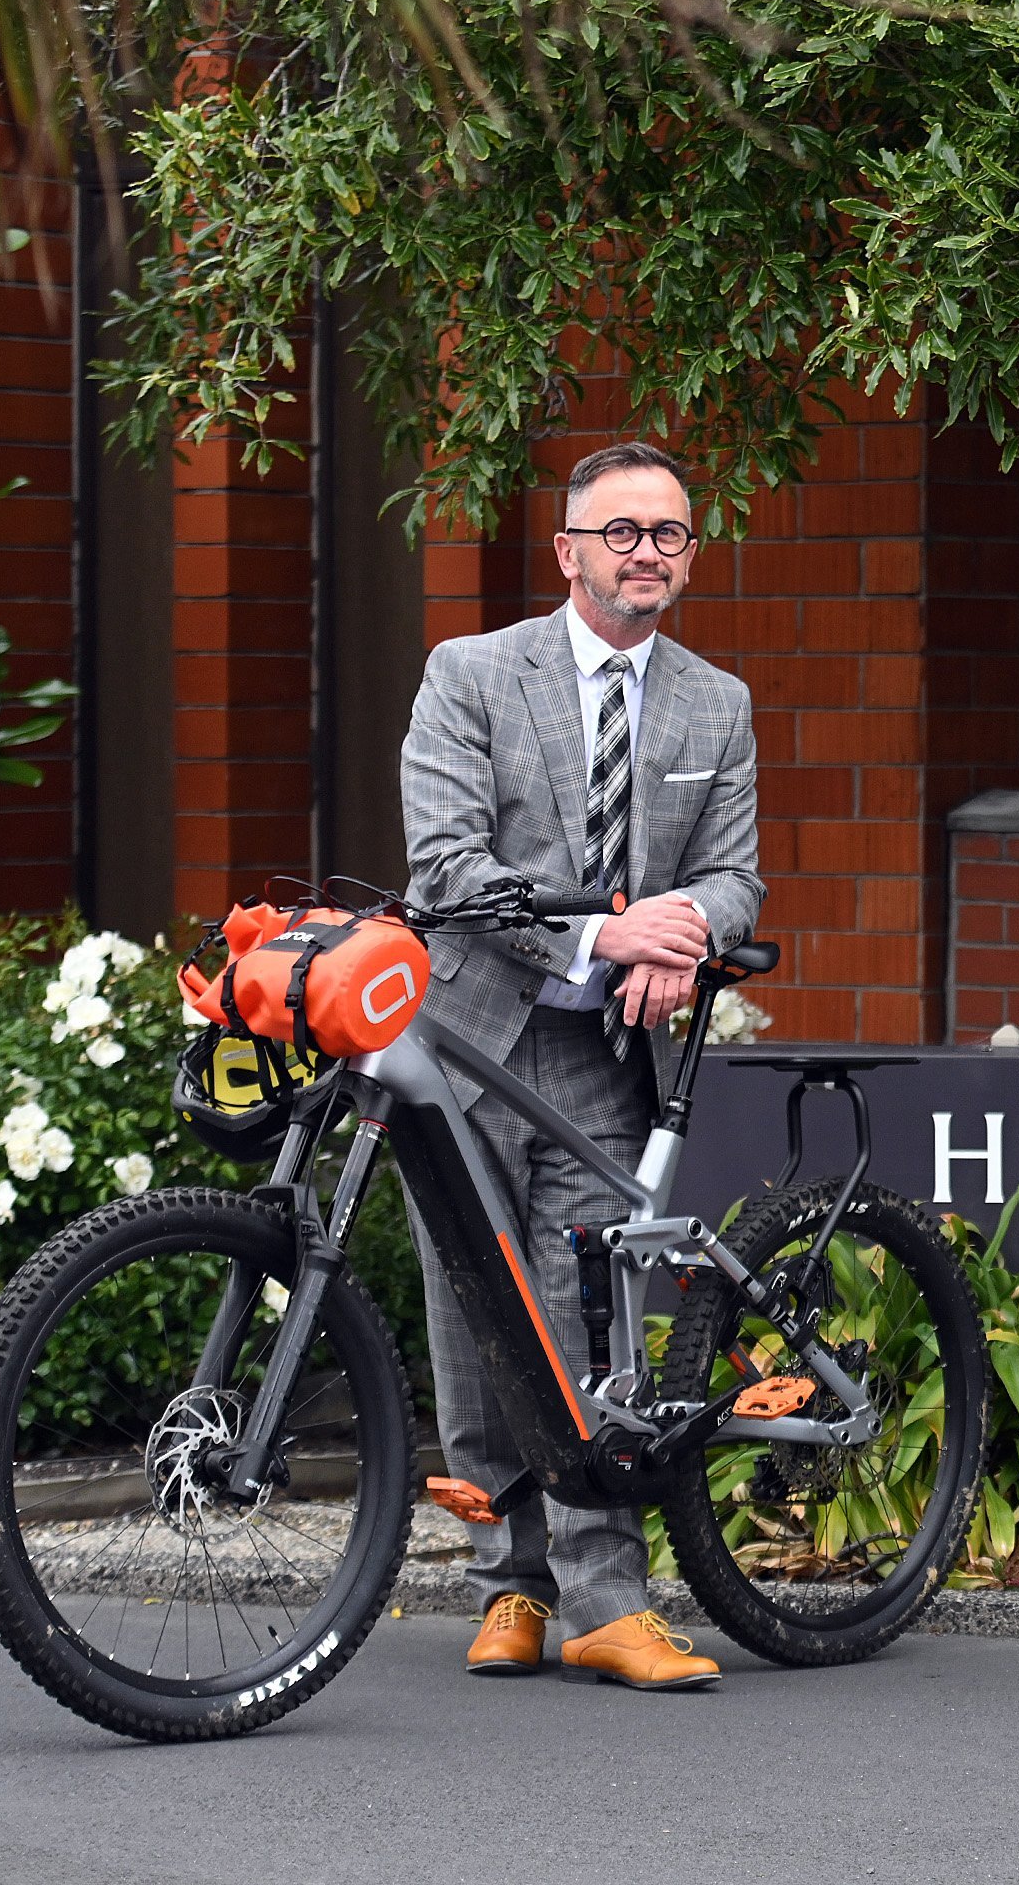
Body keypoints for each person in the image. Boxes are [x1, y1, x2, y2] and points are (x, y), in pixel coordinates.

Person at [401, 440, 765, 1691]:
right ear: (569, 552)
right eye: (622, 532)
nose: (647, 551)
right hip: (464, 1040)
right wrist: (608, 929)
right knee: (471, 1303)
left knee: (590, 1311)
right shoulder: (473, 674)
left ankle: (608, 1599)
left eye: (669, 532)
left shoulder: (716, 703)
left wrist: (690, 930)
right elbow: (443, 869)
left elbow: (734, 872)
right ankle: (509, 1579)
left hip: (601, 1053)